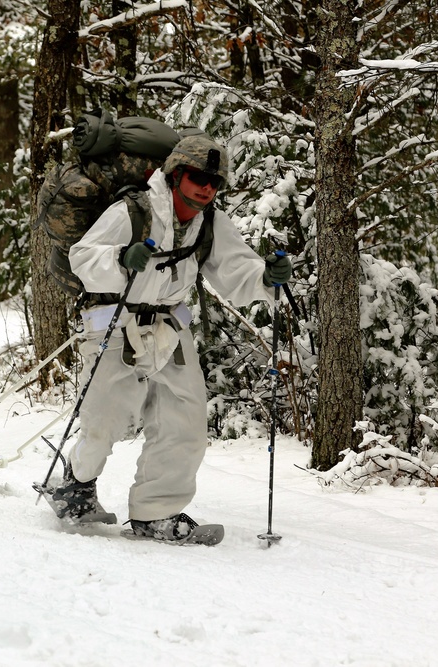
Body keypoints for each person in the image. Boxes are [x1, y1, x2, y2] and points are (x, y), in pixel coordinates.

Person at [47, 133, 294, 542]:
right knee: (105, 420)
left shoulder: (210, 222)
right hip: (114, 323)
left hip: (170, 331)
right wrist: (119, 259)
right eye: (198, 176)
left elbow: (235, 270)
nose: (206, 187)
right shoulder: (133, 211)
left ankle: (155, 513)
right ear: (176, 174)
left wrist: (266, 278)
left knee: (186, 421)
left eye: (214, 182)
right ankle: (75, 484)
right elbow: (83, 256)